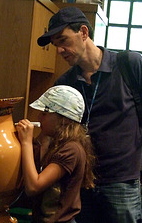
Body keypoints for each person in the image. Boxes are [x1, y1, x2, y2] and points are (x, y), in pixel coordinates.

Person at [36, 7, 142, 223]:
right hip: (80, 183)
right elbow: (54, 133)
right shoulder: (65, 84)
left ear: (83, 32)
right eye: (55, 45)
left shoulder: (130, 65)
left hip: (122, 182)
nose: (59, 50)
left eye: (63, 40)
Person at [16, 85, 96, 223]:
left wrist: (26, 143)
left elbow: (33, 187)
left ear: (63, 119)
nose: (39, 117)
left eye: (44, 114)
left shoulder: (71, 149)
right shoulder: (56, 144)